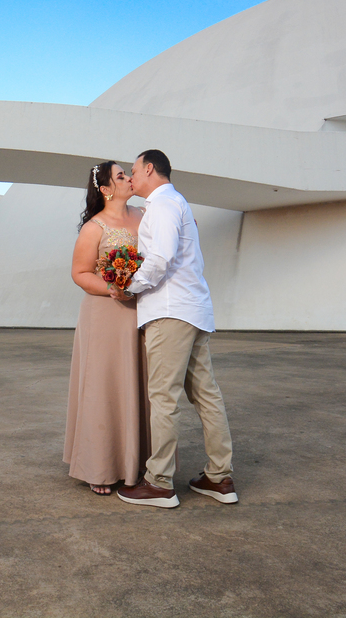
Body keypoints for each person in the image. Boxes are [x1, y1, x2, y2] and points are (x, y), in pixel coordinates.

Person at [116, 149, 237, 509]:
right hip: (193, 309)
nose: (131, 177)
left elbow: (160, 257)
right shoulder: (174, 203)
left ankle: (159, 483)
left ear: (149, 168)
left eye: (134, 171)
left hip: (170, 311)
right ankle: (219, 477)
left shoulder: (164, 204)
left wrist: (130, 286)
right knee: (206, 394)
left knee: (163, 397)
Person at [64, 161, 150, 495]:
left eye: (128, 173)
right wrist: (111, 287)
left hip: (141, 312)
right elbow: (80, 273)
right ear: (105, 189)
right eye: (121, 176)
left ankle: (138, 462)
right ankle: (100, 466)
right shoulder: (94, 228)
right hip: (104, 314)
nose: (129, 178)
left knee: (139, 383)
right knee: (105, 385)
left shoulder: (144, 216)